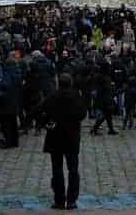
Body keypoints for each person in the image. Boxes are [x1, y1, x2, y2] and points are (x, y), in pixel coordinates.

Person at [42, 74, 87, 210]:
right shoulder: (76, 96)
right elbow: (82, 114)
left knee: (57, 169)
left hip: (55, 136)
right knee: (73, 169)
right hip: (71, 137)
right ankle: (72, 200)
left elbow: (41, 109)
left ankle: (59, 200)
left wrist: (46, 121)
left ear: (59, 83)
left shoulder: (53, 96)